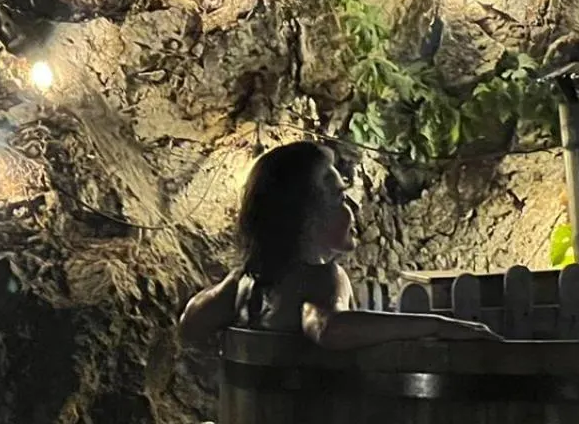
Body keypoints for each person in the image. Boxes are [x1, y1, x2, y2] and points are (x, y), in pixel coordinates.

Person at [178, 141, 496, 349]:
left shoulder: (244, 281)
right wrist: (437, 326)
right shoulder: (321, 278)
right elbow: (329, 328)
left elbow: (191, 325)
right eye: (340, 197)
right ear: (306, 215)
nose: (352, 209)